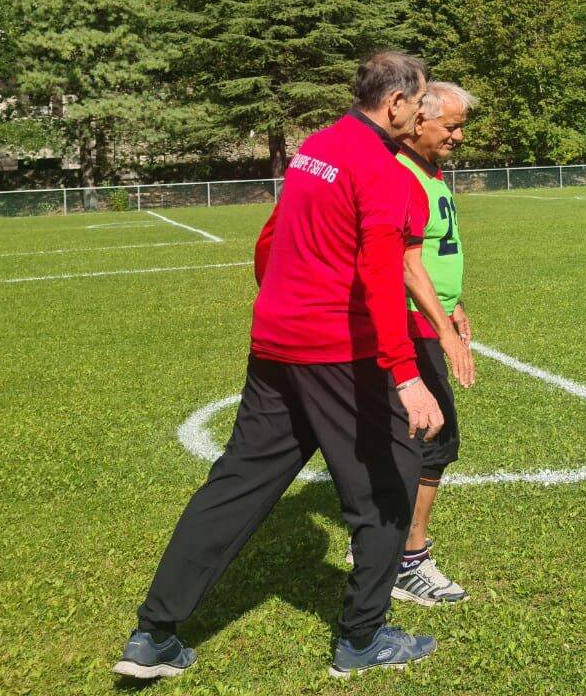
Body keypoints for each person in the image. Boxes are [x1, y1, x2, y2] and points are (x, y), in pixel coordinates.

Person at [114, 52, 447, 682]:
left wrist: (280, 306)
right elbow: (382, 275)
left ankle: (153, 635)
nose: (423, 110)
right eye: (420, 99)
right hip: (336, 352)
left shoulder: (316, 147)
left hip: (275, 343)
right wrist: (406, 376)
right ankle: (363, 638)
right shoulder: (382, 169)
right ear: (396, 103)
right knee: (390, 481)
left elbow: (270, 239)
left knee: (237, 484)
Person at [389, 81, 480, 605]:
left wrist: (453, 302)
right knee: (432, 437)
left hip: (429, 315)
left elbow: (434, 249)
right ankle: (407, 559)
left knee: (411, 438)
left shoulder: (430, 170)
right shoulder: (399, 173)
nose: (458, 136)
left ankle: (378, 541)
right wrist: (443, 329)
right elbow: (404, 264)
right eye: (451, 126)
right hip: (408, 324)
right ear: (418, 121)